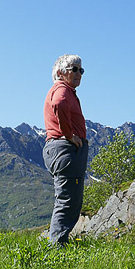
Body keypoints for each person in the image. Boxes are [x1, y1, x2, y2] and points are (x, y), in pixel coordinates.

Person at [43, 54, 89, 246]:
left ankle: (59, 244)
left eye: (81, 70)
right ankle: (56, 248)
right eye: (75, 69)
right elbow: (59, 104)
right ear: (61, 73)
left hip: (63, 151)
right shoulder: (62, 90)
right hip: (65, 150)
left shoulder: (65, 90)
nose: (79, 73)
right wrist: (70, 135)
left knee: (69, 200)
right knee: (67, 201)